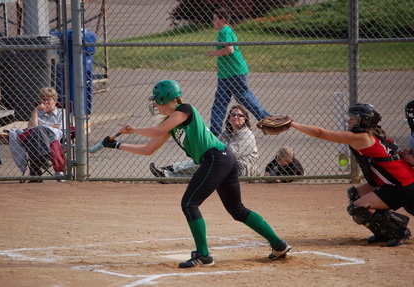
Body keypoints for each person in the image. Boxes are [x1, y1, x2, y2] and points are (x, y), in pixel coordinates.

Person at [103, 79, 291, 268]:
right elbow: (147, 149)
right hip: (223, 159)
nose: (155, 104)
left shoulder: (185, 109)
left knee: (189, 204)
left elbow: (157, 130)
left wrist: (133, 129)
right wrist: (118, 145)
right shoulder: (172, 124)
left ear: (167, 98)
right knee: (237, 210)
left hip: (216, 159)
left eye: (157, 100)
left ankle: (203, 255)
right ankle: (279, 244)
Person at [290, 102, 413, 247]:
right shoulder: (379, 132)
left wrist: (292, 124)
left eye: (353, 118)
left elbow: (320, 133)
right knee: (355, 193)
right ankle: (384, 231)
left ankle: (398, 231)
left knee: (357, 208)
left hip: (401, 184)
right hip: (398, 180)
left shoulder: (361, 137)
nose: (349, 121)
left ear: (363, 120)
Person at [207, 8, 271, 136]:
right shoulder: (224, 31)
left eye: (215, 19)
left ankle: (266, 121)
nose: (213, 21)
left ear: (223, 20)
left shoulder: (224, 31)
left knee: (244, 98)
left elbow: (229, 49)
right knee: (220, 101)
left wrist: (214, 53)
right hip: (225, 74)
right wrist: (220, 65)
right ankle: (215, 130)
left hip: (235, 72)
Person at [150, 104, 259, 178]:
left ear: (245, 119)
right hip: (225, 163)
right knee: (204, 169)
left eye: (239, 115)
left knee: (209, 163)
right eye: (233, 114)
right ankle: (168, 175)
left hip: (242, 169)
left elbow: (231, 153)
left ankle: (168, 171)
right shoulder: (226, 134)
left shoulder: (247, 134)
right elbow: (215, 149)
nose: (235, 117)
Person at [11, 87, 66, 182]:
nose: (45, 102)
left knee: (37, 132)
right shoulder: (38, 113)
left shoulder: (62, 112)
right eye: (43, 99)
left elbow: (59, 127)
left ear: (55, 100)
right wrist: (36, 110)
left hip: (55, 137)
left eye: (49, 99)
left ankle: (35, 173)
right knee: (36, 132)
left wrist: (43, 126)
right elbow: (31, 127)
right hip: (39, 139)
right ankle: (44, 158)